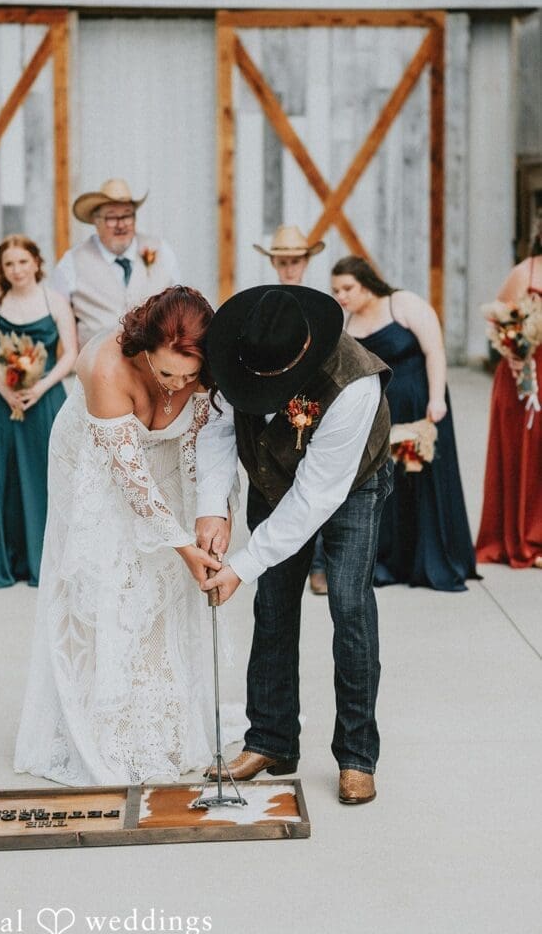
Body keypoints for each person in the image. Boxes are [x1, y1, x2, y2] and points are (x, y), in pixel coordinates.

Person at [14, 286, 240, 787]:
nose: (178, 384)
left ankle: (164, 719)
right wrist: (181, 545)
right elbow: (131, 481)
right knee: (112, 580)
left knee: (163, 588)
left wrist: (208, 518)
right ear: (142, 350)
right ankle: (110, 724)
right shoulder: (105, 367)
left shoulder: (204, 371)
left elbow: (200, 449)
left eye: (190, 375)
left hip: (166, 457)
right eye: (166, 374)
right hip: (97, 466)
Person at [196, 284, 393, 806]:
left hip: (350, 484)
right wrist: (213, 506)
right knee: (274, 606)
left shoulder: (353, 385)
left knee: (350, 607)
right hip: (271, 476)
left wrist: (242, 563)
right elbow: (217, 432)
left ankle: (356, 755)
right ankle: (271, 740)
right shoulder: (236, 346)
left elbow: (315, 497)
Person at [331, 256, 478, 592]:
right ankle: (395, 559)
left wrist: (436, 398)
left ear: (366, 283)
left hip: (420, 399)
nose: (342, 295)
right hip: (382, 412)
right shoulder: (349, 323)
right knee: (389, 484)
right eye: (337, 289)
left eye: (348, 288)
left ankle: (434, 559)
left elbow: (435, 351)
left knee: (425, 477)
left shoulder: (403, 303)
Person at [0, 235, 77, 589]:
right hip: (3, 402)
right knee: (3, 475)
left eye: (23, 262)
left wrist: (40, 387)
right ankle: (4, 555)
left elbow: (70, 352)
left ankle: (43, 556)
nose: (17, 270)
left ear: (36, 263)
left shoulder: (54, 301)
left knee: (46, 475)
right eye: (9, 264)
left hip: (46, 401)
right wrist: (3, 387)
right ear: (1, 269)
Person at [254, 224, 329, 595]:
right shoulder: (265, 303)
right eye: (281, 262)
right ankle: (285, 562)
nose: (288, 269)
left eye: (295, 261)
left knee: (318, 481)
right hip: (277, 399)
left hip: (313, 397)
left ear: (306, 261)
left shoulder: (320, 302)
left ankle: (319, 564)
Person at [51, 177, 180, 350]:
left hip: (152, 365)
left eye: (127, 215)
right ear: (96, 222)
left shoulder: (162, 251)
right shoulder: (72, 261)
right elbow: (57, 318)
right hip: (95, 369)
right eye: (111, 218)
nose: (121, 225)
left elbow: (179, 307)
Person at [476, 248, 542, 568]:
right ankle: (527, 537)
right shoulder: (525, 273)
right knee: (526, 453)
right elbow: (498, 318)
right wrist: (515, 350)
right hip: (527, 373)